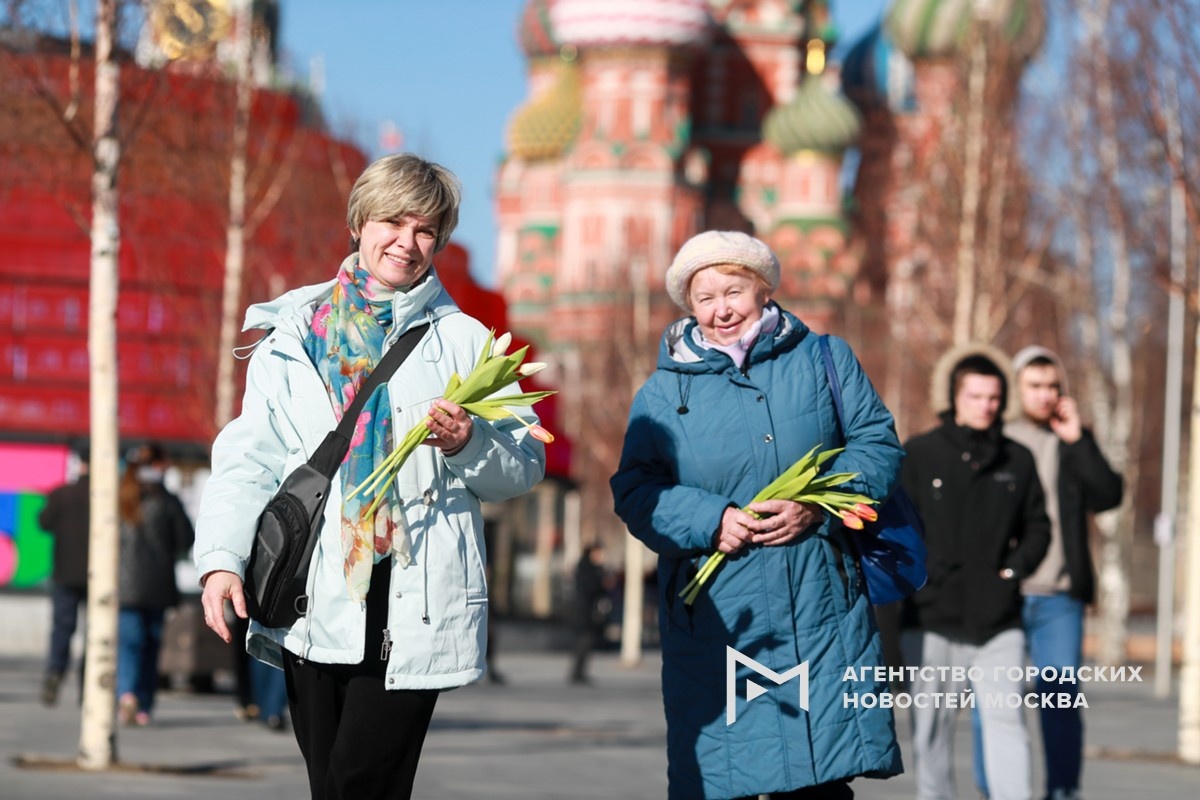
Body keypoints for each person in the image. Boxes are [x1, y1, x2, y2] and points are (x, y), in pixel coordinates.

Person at [193, 153, 547, 800]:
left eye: (425, 230)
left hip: (412, 600)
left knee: (360, 785)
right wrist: (221, 560)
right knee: (329, 784)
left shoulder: (466, 342)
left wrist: (468, 443)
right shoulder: (295, 331)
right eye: (393, 222)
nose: (407, 243)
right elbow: (250, 458)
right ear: (360, 222)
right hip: (309, 594)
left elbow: (524, 464)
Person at [610, 230, 904, 800]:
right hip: (720, 617)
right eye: (705, 298)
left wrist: (816, 506)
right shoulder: (662, 392)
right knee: (729, 781)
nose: (721, 310)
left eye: (734, 291)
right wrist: (710, 520)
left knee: (818, 783)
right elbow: (636, 489)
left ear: (763, 290)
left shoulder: (823, 359)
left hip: (818, 605)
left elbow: (877, 444)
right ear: (689, 305)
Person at [970, 346, 1124, 800]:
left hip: (1059, 597)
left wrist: (1078, 440)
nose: (1045, 394)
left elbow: (1109, 495)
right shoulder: (995, 439)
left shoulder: (1071, 439)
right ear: (1015, 388)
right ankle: (993, 791)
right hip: (1005, 594)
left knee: (1061, 703)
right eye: (1035, 385)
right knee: (995, 704)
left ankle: (1063, 791)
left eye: (1053, 386)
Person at [899, 347, 1050, 800]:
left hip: (998, 621)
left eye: (994, 398)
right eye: (975, 396)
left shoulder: (1018, 460)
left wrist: (1013, 570)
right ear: (954, 397)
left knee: (1008, 726)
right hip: (931, 619)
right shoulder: (919, 454)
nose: (985, 406)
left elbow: (1039, 527)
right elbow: (896, 532)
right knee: (931, 735)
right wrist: (917, 585)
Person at [116, 443, 196, 726]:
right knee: (150, 647)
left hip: (123, 586)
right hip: (158, 586)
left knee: (129, 644)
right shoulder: (167, 500)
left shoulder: (119, 496)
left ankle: (126, 693)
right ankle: (144, 706)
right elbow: (185, 540)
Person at [37, 444, 90, 707]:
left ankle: (56, 671)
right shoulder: (109, 495)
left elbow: (43, 522)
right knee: (96, 632)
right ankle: (87, 682)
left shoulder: (62, 494)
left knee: (62, 628)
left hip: (64, 573)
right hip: (97, 576)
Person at [568, 543, 610, 685]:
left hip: (586, 610)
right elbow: (593, 588)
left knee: (585, 642)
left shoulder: (589, 568)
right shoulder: (587, 569)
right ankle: (577, 672)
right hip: (584, 611)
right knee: (584, 641)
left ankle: (579, 672)